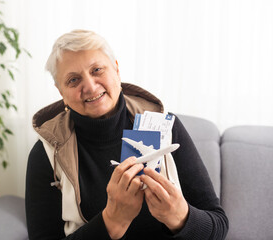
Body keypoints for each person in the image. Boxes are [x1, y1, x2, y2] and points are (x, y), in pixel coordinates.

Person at [25, 29, 228, 240]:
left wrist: (179, 217)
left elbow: (218, 226)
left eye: (97, 70)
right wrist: (112, 220)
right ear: (61, 94)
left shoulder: (165, 127)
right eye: (73, 80)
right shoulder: (47, 153)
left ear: (117, 70)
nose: (90, 86)